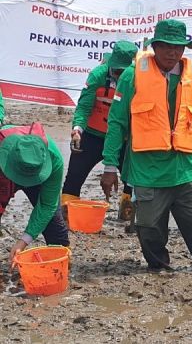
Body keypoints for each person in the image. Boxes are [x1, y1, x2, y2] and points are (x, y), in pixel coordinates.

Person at [102, 19, 192, 272]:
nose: (172, 52)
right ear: (155, 46)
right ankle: (159, 267)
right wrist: (109, 165)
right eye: (166, 46)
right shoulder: (132, 75)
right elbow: (116, 123)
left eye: (178, 47)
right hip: (147, 170)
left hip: (185, 169)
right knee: (148, 228)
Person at [62, 41, 138, 219]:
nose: (121, 76)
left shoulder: (138, 79)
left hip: (123, 139)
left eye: (125, 71)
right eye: (117, 71)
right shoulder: (98, 75)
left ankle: (127, 215)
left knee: (132, 180)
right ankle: (66, 215)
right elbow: (83, 106)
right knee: (74, 176)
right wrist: (77, 129)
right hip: (92, 137)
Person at [0, 123, 69, 264]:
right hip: (5, 168)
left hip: (37, 175)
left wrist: (23, 241)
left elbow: (47, 205)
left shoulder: (54, 159)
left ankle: (60, 266)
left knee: (55, 228)